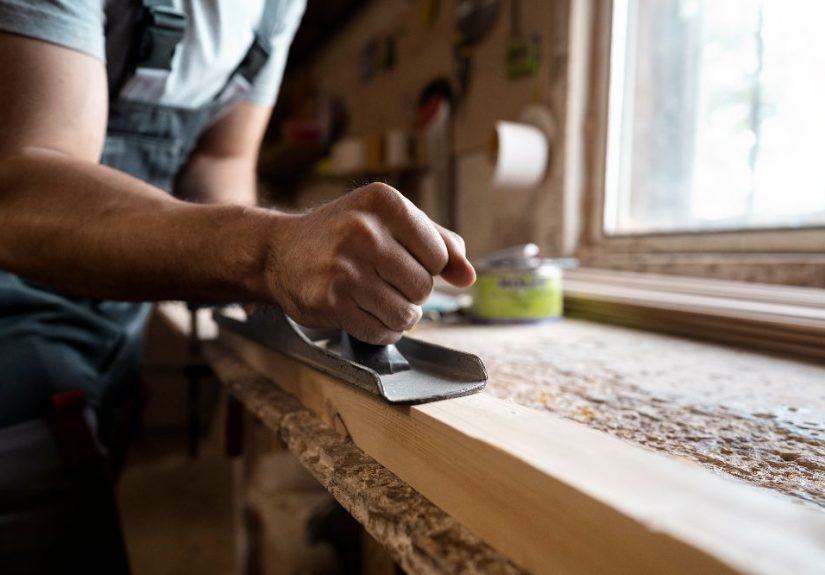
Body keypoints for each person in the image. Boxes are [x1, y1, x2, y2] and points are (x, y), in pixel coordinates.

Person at [0, 0, 475, 571]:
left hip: (113, 323)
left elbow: (221, 159)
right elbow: (21, 189)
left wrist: (291, 281)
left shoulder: (277, 8)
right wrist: (269, 252)